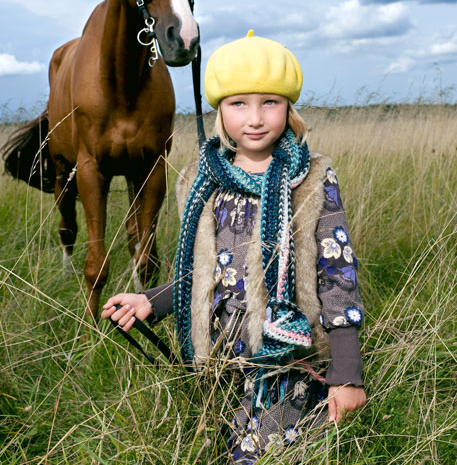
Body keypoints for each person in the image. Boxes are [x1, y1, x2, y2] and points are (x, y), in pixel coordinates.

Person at [102, 30, 366, 463]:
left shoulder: (313, 179)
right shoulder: (201, 181)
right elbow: (201, 275)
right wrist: (150, 300)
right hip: (221, 363)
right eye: (239, 104)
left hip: (288, 359)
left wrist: (347, 373)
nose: (255, 118)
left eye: (270, 102)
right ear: (219, 111)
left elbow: (339, 277)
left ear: (288, 107)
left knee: (254, 457)